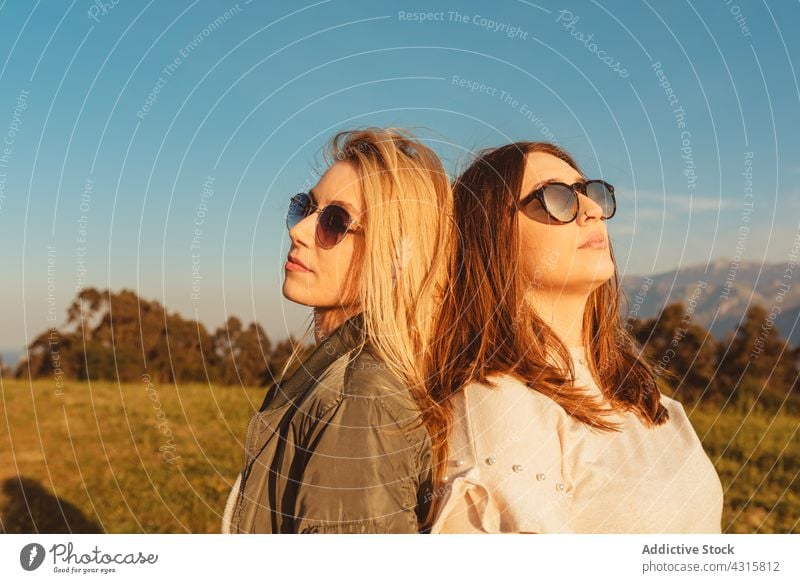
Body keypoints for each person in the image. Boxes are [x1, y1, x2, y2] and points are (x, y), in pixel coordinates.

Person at [425, 141, 724, 533]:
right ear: (490, 237)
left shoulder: (634, 389)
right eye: (556, 197)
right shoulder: (496, 402)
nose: (592, 210)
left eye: (589, 192)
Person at [222, 128, 452, 533]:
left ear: (396, 255)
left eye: (334, 221)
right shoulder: (342, 381)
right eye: (304, 207)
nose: (298, 230)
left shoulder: (361, 403)